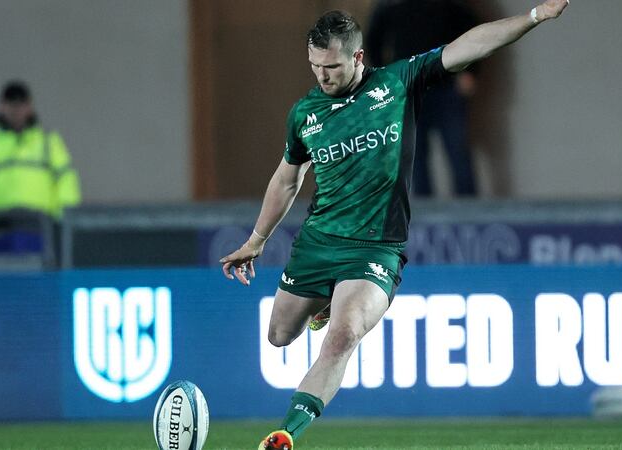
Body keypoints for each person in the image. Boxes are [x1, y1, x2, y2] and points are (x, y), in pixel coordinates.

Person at [219, 2, 570, 449]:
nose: (321, 77)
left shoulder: (398, 82)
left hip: (375, 249)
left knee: (343, 337)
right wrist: (256, 240)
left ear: (358, 58)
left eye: (331, 67)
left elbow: (468, 46)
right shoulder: (304, 114)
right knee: (278, 335)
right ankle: (324, 302)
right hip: (319, 240)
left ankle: (288, 433)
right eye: (314, 67)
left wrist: (535, 16)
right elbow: (287, 178)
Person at [366, 0, 481, 197]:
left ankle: (469, 212)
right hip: (411, 89)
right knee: (415, 156)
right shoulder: (390, 4)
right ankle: (424, 212)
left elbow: (472, 32)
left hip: (446, 86)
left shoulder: (451, 6)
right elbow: (373, 40)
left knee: (457, 151)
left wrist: (470, 71)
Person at [0, 81, 81, 219]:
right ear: (1, 107)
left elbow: (66, 182)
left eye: (21, 103)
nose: (15, 109)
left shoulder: (49, 143)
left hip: (41, 228)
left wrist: (65, 222)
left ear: (30, 107)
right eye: (10, 103)